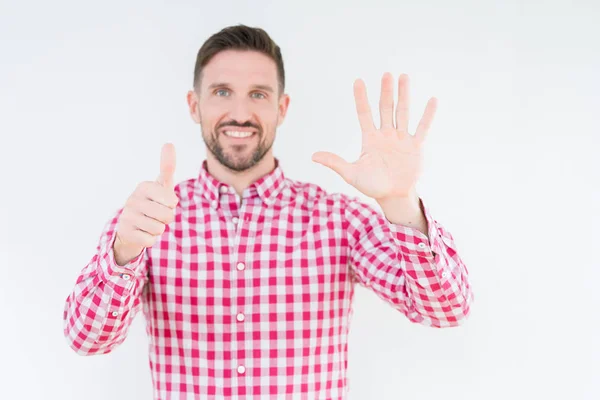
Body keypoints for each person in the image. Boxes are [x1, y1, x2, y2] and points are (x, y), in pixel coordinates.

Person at [63, 24, 473, 399]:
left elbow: (447, 308)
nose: (240, 112)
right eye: (222, 91)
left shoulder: (339, 219)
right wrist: (124, 255)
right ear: (194, 105)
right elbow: (85, 338)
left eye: (258, 94)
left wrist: (400, 200)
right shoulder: (148, 219)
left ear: (282, 107)